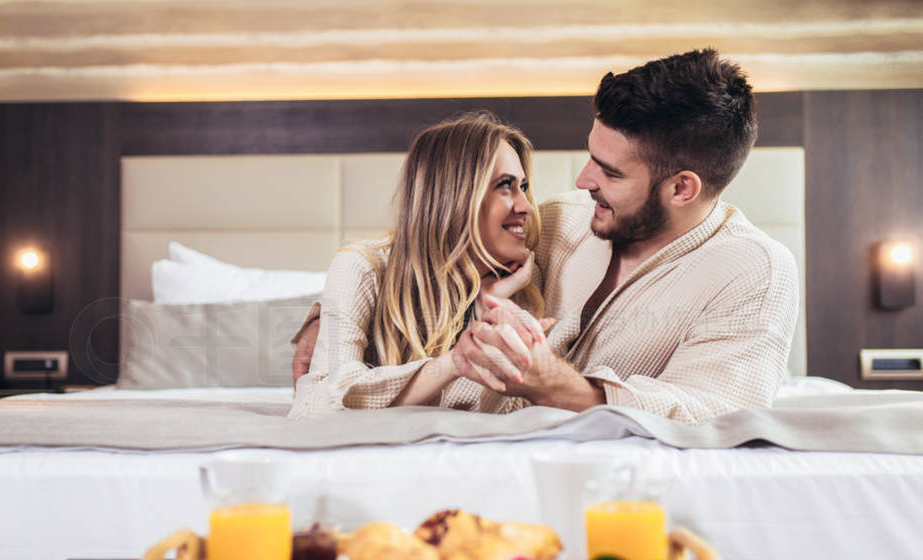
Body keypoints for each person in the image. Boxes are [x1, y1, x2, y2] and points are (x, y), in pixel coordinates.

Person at [293, 49, 799, 425]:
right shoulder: (559, 221)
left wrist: (560, 386)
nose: (582, 181)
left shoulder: (754, 274)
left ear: (682, 187)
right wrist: (334, 311)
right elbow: (431, 243)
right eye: (590, 156)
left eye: (610, 172)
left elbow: (714, 415)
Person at [288, 112, 550, 419]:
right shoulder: (363, 268)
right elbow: (314, 407)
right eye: (505, 186)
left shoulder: (525, 281)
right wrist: (453, 363)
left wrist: (489, 307)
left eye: (523, 187)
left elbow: (512, 410)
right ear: (455, 197)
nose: (526, 207)